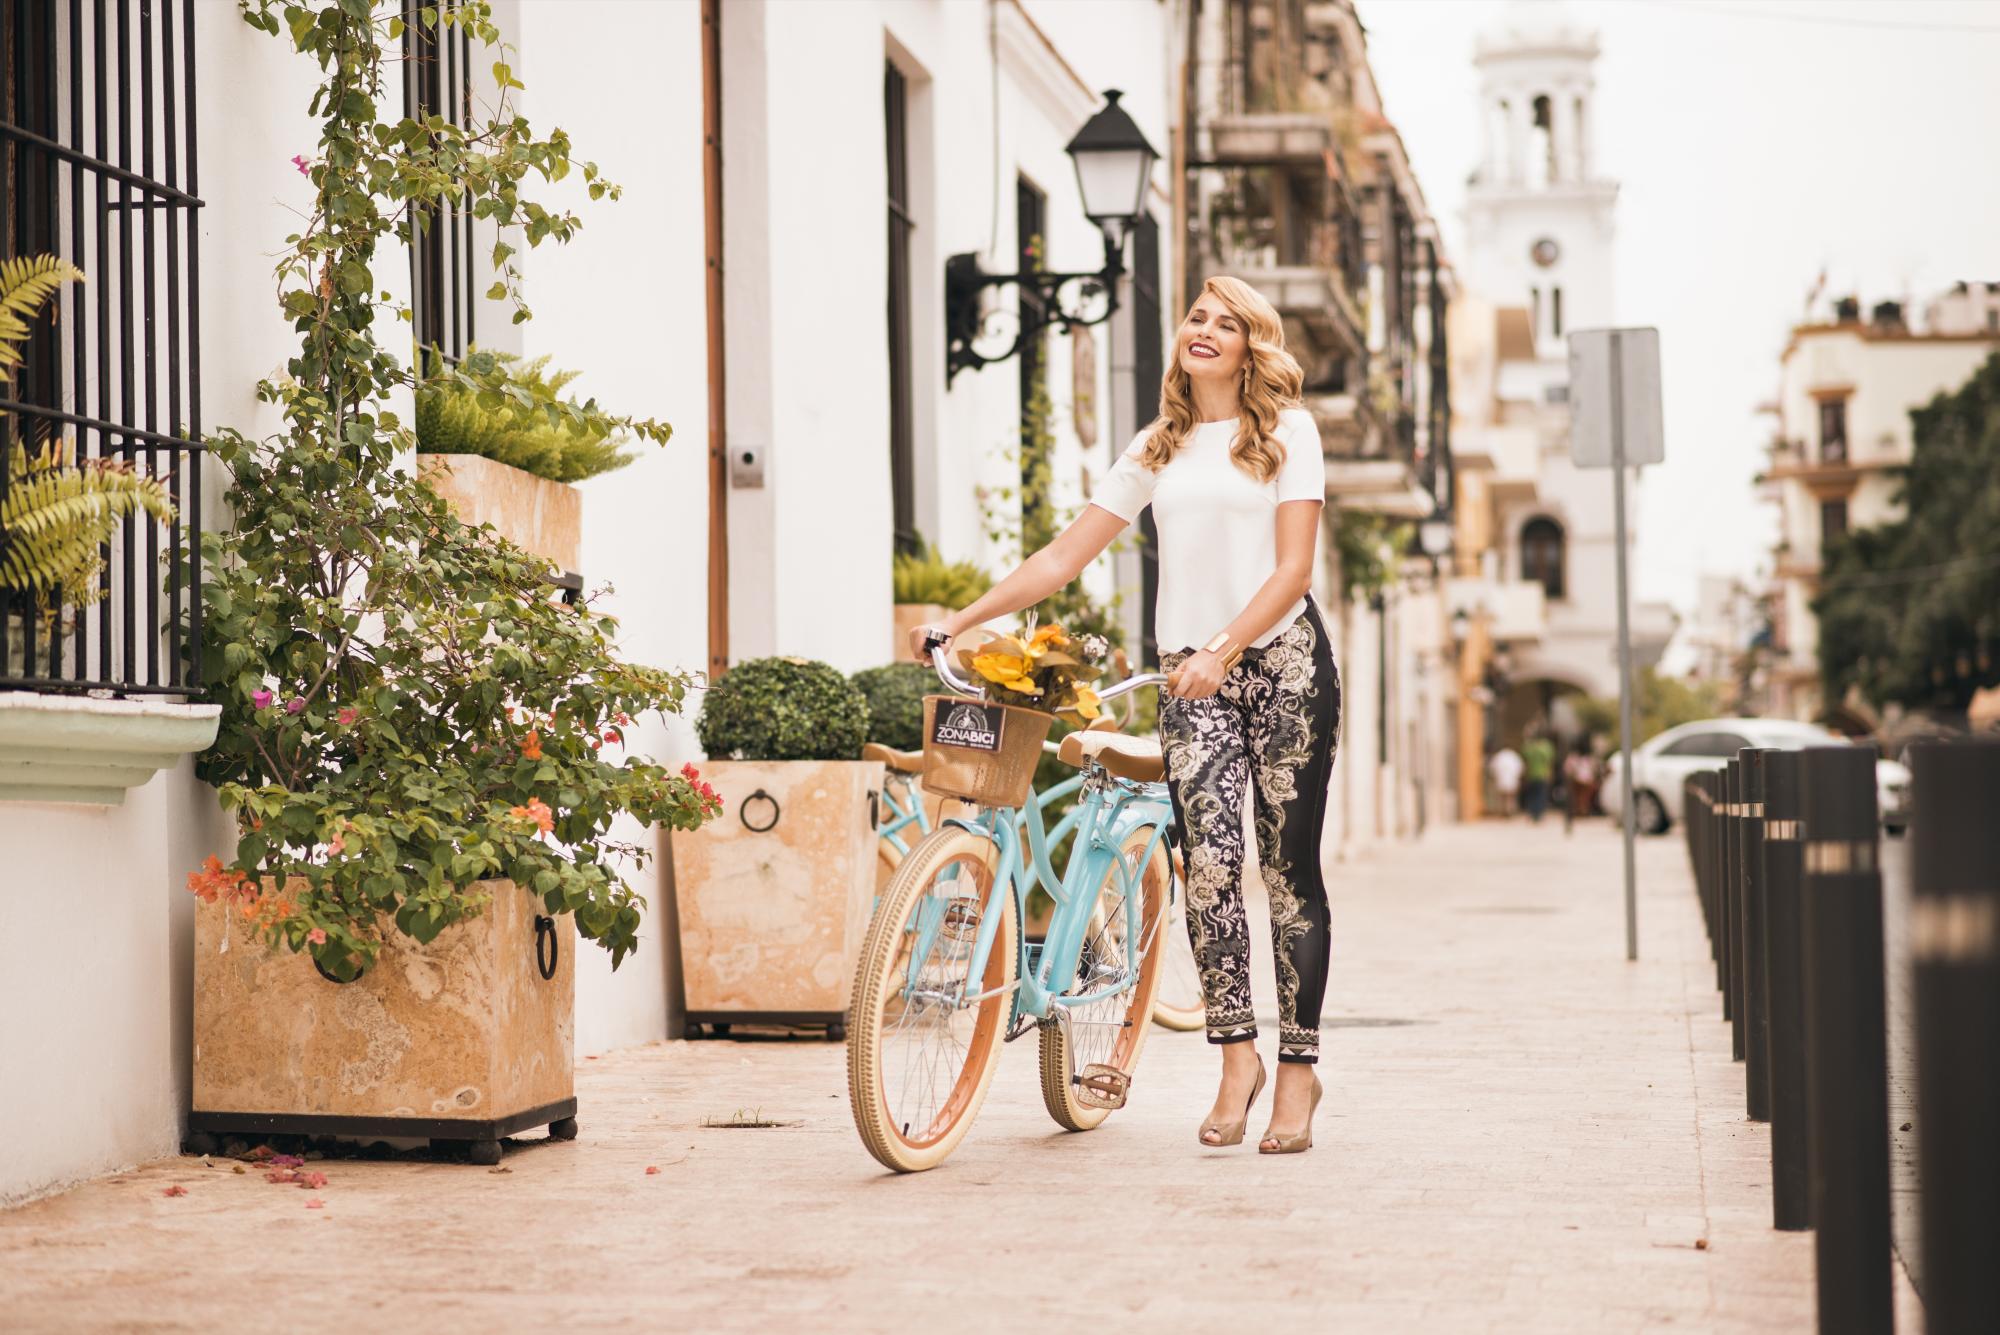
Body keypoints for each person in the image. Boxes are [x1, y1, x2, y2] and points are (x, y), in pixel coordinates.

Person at [912, 276, 1338, 1156]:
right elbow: (1065, 554)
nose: (1205, 331)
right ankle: (1236, 1060)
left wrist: (1225, 645)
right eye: (1196, 317)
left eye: (1228, 322)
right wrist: (962, 619)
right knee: (1212, 873)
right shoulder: (1160, 444)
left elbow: (1293, 569)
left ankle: (1298, 1072)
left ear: (1254, 343)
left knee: (1287, 870)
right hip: (1193, 677)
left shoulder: (1288, 432)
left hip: (1284, 665)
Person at [1562, 744, 1598, 834]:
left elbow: (1567, 770)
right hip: (1586, 780)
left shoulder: (1573, 758)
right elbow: (1593, 769)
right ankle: (1581, 812)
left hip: (1578, 780)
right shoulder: (1588, 759)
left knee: (1578, 798)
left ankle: (1580, 812)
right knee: (1583, 798)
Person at [1521, 733, 1555, 823]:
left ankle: (1532, 813)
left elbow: (1525, 760)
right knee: (1541, 795)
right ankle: (1539, 815)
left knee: (1531, 795)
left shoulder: (1529, 747)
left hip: (1531, 775)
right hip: (1542, 775)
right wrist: (1550, 774)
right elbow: (1549, 762)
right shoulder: (1546, 748)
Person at [1487, 745, 1523, 818]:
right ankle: (1509, 810)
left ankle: (1504, 811)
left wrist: (1494, 776)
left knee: (1502, 797)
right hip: (1511, 779)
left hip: (1501, 779)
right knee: (1510, 797)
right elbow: (1520, 768)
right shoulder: (1513, 756)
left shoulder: (1498, 756)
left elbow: (1492, 768)